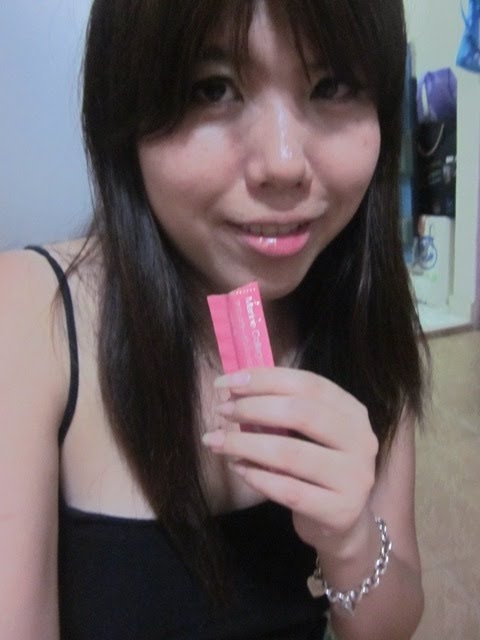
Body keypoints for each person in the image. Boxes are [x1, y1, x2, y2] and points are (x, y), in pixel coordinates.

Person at [0, 0, 428, 638]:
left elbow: (390, 625)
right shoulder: (30, 317)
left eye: (331, 85)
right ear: (125, 110)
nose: (283, 163)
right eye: (213, 88)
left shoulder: (363, 308)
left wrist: (350, 540)